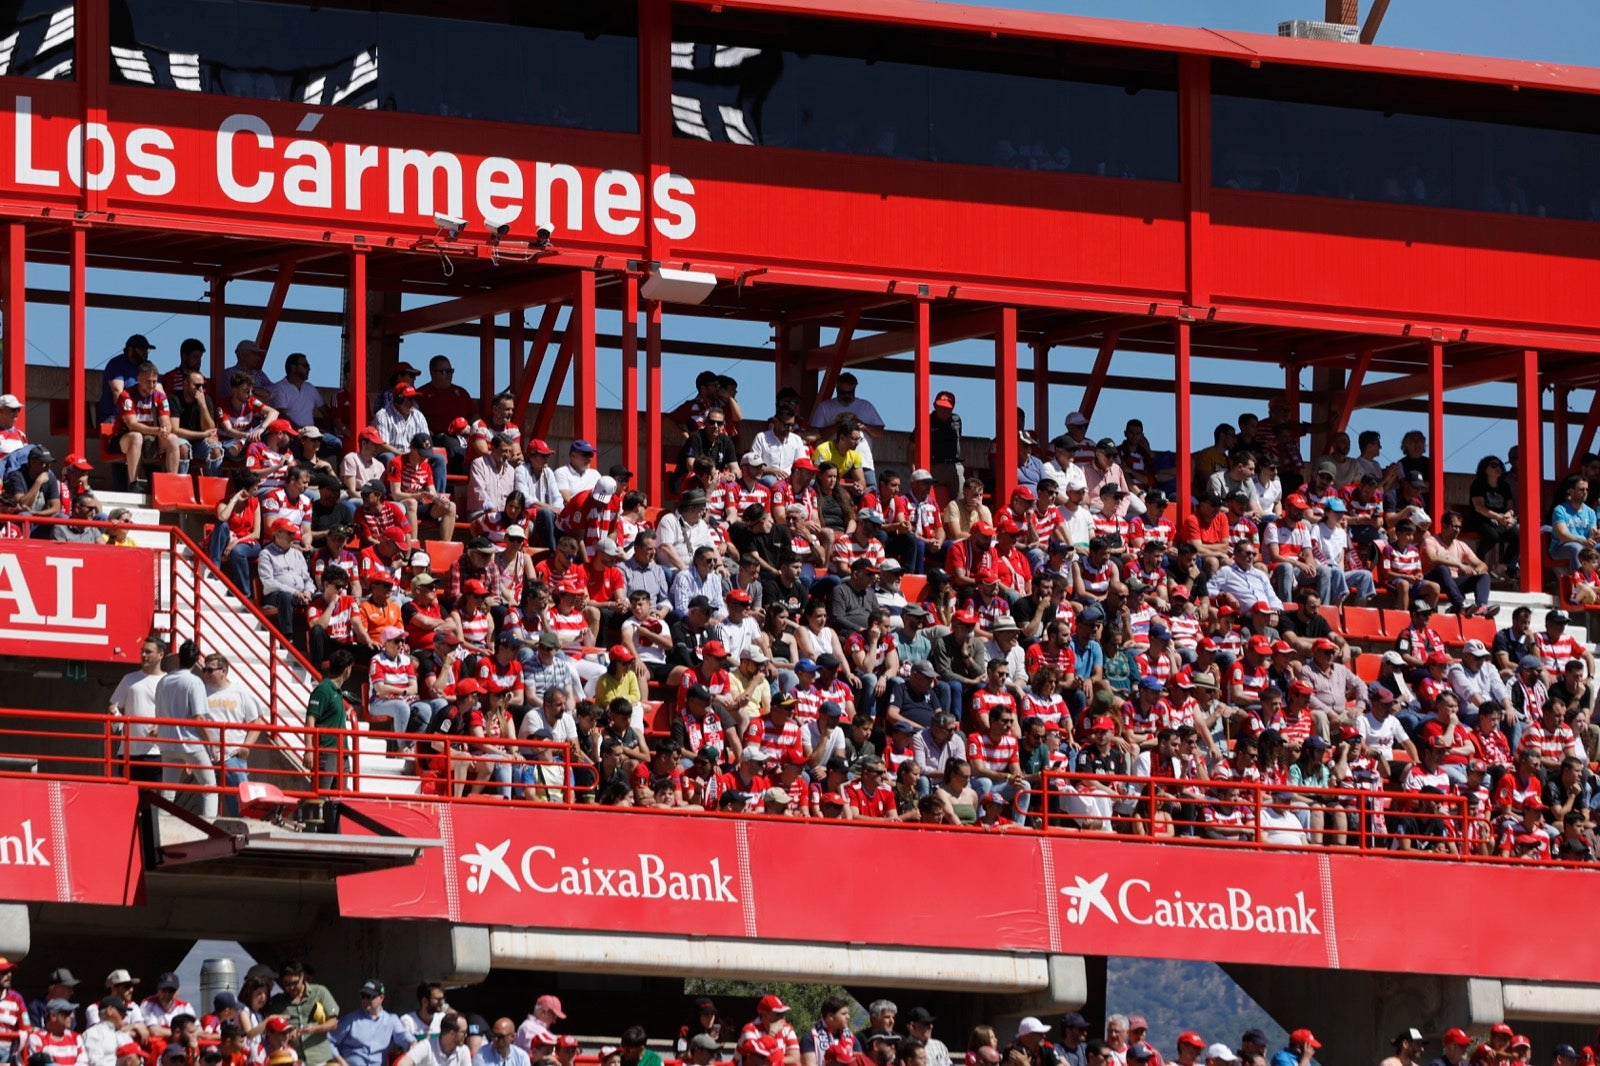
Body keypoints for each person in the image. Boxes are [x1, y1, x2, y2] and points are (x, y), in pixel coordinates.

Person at [154, 640, 217, 819]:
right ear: (197, 660)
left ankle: (162, 827)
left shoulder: (164, 681)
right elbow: (198, 717)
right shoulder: (194, 682)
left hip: (167, 742)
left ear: (179, 658)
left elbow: (158, 713)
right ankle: (210, 825)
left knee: (168, 790)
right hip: (191, 743)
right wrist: (211, 743)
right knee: (209, 787)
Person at [811, 372, 885, 490]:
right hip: (834, 461)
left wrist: (864, 426)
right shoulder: (825, 407)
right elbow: (815, 433)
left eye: (850, 393)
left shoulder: (866, 406)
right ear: (837, 389)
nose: (846, 396)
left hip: (863, 460)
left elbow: (881, 432)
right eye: (843, 393)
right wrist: (838, 426)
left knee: (869, 491)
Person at [110, 637, 166, 783]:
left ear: (160, 655)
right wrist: (115, 715)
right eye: (142, 651)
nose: (143, 655)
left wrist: (162, 725)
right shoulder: (129, 679)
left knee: (156, 800)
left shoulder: (168, 681)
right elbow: (113, 706)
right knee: (130, 800)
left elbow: (177, 713)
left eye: (148, 652)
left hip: (156, 752)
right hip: (129, 752)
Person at [327, 981, 409, 1066]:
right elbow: (328, 1041)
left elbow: (402, 1036)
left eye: (369, 996)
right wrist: (342, 1062)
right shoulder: (350, 1020)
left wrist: (412, 1042)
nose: (365, 1000)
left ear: (381, 998)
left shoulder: (391, 1020)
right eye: (363, 996)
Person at [394, 1013, 471, 1066]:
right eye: (463, 1032)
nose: (466, 1035)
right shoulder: (426, 1046)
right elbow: (402, 1064)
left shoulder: (463, 1050)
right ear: (452, 1033)